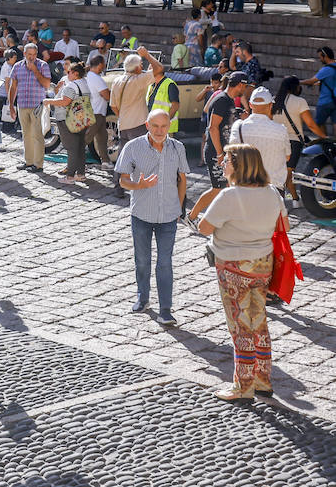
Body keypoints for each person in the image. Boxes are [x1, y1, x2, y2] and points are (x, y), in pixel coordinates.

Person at [195, 143, 285, 401]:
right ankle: (263, 380)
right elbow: (285, 223)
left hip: (234, 265)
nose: (222, 164)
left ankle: (242, 386)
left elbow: (204, 227)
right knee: (259, 321)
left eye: (226, 160)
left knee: (239, 325)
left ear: (239, 165)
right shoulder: (271, 193)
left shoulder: (229, 196)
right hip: (262, 265)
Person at [115, 109, 189, 326]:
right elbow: (123, 181)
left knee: (165, 262)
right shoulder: (133, 147)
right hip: (141, 214)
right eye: (155, 126)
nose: (159, 131)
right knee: (142, 259)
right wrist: (139, 185)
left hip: (168, 216)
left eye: (163, 126)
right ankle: (143, 297)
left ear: (169, 126)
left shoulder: (178, 148)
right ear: (147, 125)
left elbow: (182, 179)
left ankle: (165, 309)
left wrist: (179, 207)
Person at [202, 72, 250, 206]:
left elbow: (226, 122)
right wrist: (219, 153)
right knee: (217, 189)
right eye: (245, 87)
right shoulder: (222, 100)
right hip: (215, 152)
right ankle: (191, 216)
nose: (245, 90)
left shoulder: (229, 100)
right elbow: (213, 127)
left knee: (227, 188)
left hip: (223, 153)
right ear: (240, 85)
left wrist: (239, 115)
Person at [274, 76, 327, 196]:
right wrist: (324, 137)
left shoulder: (274, 101)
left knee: (280, 173)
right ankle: (281, 203)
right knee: (287, 175)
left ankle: (294, 199)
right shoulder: (299, 102)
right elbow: (311, 125)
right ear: (295, 87)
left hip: (276, 141)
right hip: (293, 142)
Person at [7, 43, 52, 172]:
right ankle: (28, 162)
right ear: (24, 54)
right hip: (22, 105)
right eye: (29, 54)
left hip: (37, 105)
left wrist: (35, 70)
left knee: (37, 135)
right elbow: (13, 86)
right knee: (26, 135)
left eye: (34, 54)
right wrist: (11, 105)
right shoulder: (17, 66)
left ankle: (38, 165)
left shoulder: (43, 65)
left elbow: (47, 84)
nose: (32, 57)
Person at [47, 61, 91, 182]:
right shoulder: (85, 83)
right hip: (82, 118)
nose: (67, 74)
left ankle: (70, 176)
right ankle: (81, 174)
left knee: (71, 148)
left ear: (75, 73)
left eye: (68, 72)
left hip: (68, 119)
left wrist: (48, 101)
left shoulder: (71, 85)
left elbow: (64, 102)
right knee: (80, 147)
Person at [85, 55, 111, 164]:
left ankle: (105, 161)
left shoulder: (89, 76)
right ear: (100, 65)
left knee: (102, 138)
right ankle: (73, 162)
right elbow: (107, 96)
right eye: (104, 64)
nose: (104, 66)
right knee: (86, 138)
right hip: (96, 112)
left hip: (97, 111)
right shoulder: (96, 78)